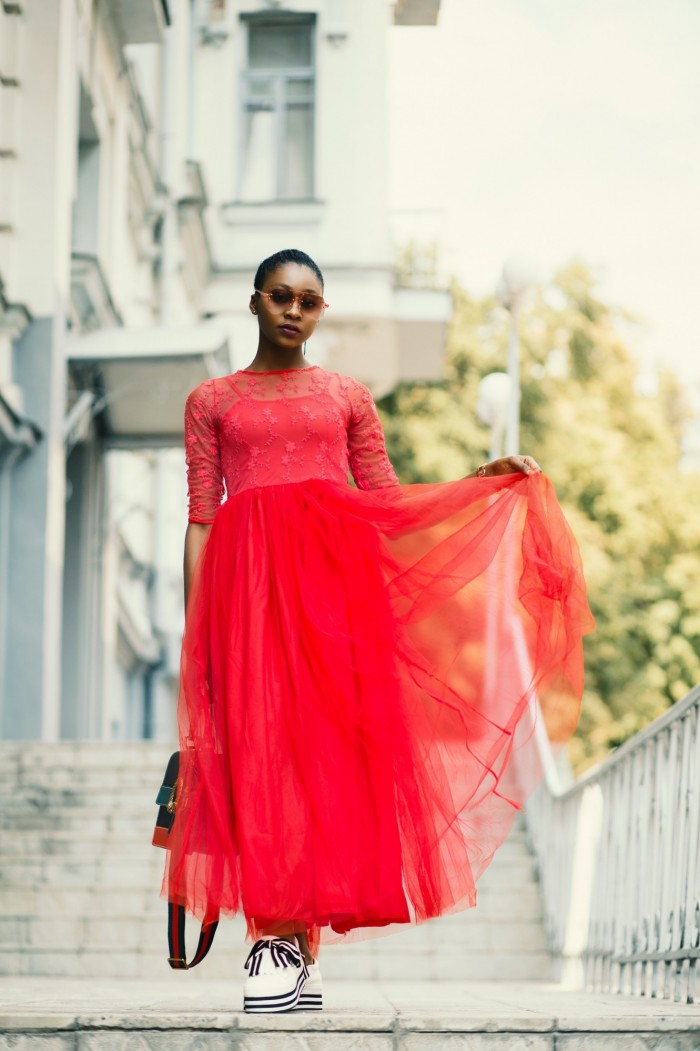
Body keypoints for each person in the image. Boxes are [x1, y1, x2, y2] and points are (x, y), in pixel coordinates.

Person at [162, 248, 593, 1014]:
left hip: (334, 596)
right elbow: (201, 517)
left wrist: (480, 482)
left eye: (311, 300)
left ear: (320, 311)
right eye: (281, 296)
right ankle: (276, 937)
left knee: (322, 756)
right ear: (255, 301)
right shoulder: (211, 400)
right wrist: (197, 629)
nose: (295, 310)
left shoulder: (348, 395)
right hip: (247, 600)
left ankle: (292, 943)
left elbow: (387, 502)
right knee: (263, 753)